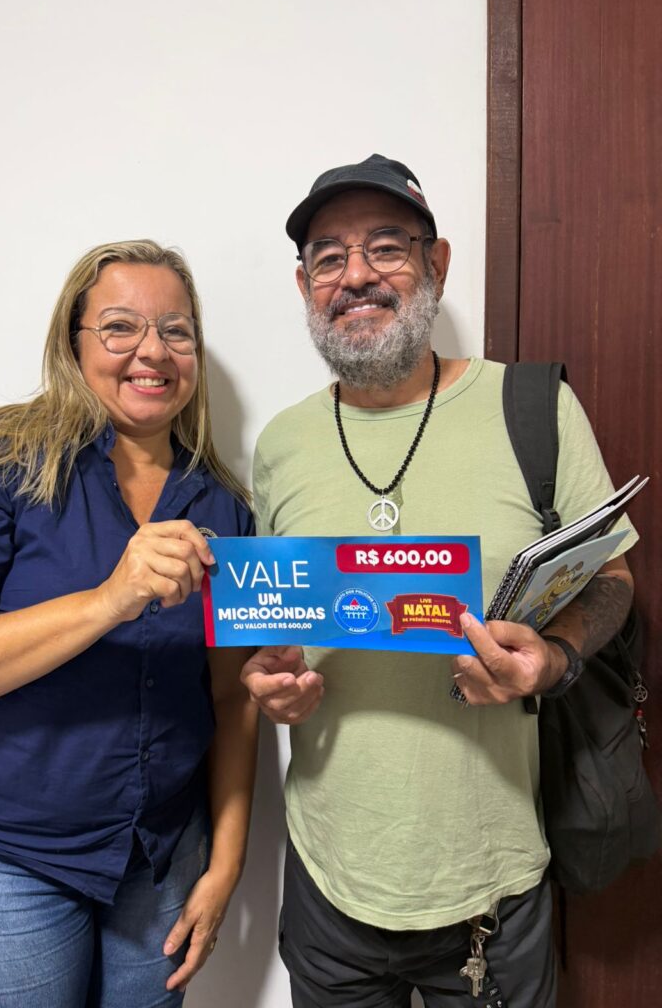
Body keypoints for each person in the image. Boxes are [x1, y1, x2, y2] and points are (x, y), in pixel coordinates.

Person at [241, 154, 637, 1007]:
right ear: (305, 284)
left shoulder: (534, 409)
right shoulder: (280, 445)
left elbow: (613, 577)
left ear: (438, 263)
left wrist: (554, 660)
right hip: (328, 880)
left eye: (387, 247)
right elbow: (277, 621)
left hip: (492, 885)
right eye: (328, 257)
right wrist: (268, 680)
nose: (356, 275)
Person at [0, 239, 258, 1007]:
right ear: (73, 341)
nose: (151, 351)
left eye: (176, 330)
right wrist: (109, 599)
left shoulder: (221, 504)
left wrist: (226, 865)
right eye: (120, 327)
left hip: (161, 857)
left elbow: (231, 698)